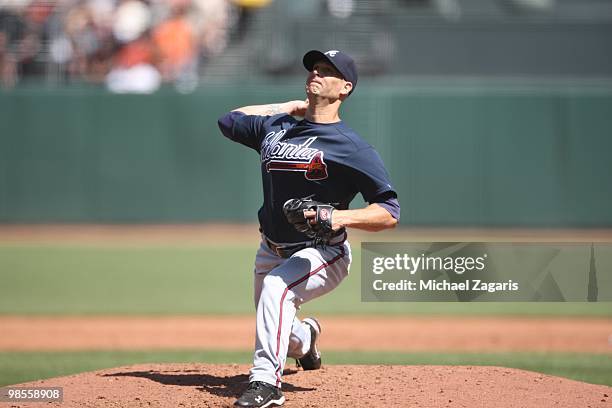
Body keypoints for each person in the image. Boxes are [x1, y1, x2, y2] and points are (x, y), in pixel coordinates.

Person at [217, 49, 400, 408]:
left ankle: (266, 384)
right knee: (282, 328)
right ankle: (308, 338)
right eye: (314, 68)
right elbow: (228, 120)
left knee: (276, 289)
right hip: (270, 248)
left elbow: (389, 211)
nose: (316, 73)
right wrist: (286, 106)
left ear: (345, 88)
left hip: (323, 250)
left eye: (327, 71)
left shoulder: (351, 147)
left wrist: (338, 217)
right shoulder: (276, 127)